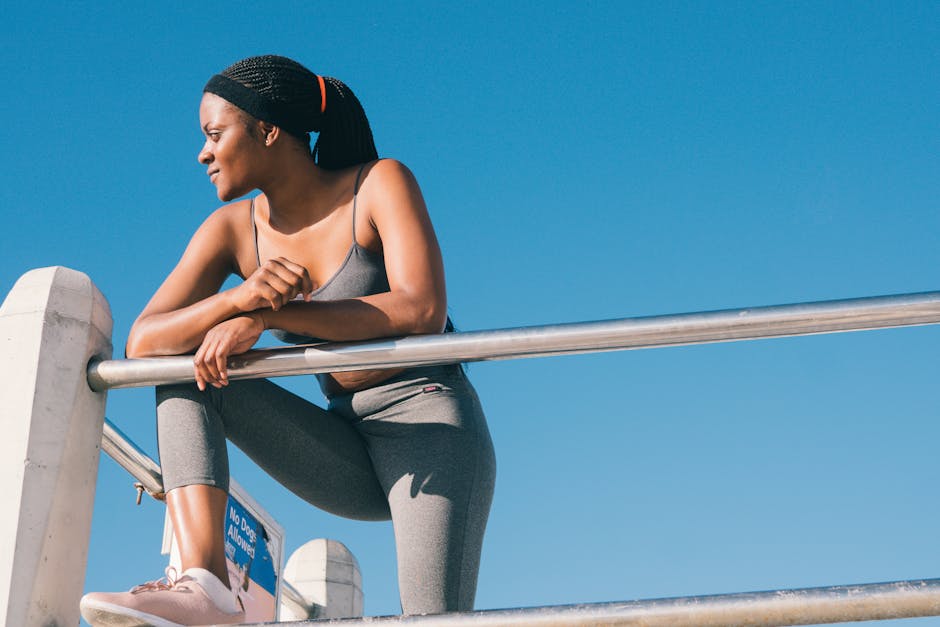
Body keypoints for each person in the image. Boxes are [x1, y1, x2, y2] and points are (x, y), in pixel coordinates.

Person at [80, 55, 496, 627]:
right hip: (342, 441)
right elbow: (145, 339)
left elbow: (422, 308)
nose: (202, 154)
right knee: (182, 368)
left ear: (268, 130)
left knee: (431, 621)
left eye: (214, 134)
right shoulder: (232, 230)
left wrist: (275, 316)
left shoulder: (379, 183)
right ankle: (205, 585)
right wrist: (238, 300)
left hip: (428, 430)